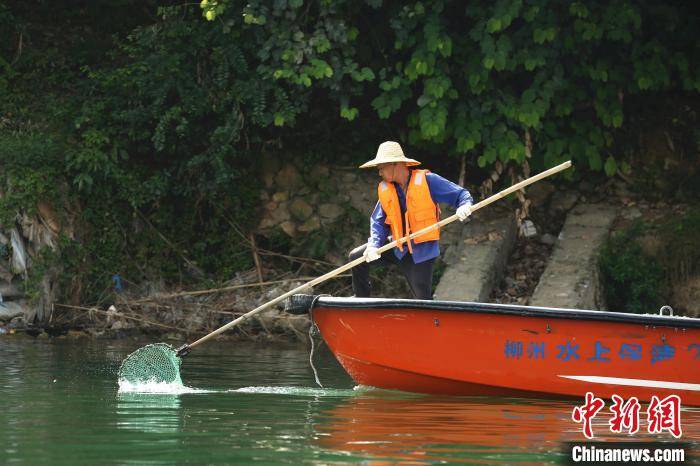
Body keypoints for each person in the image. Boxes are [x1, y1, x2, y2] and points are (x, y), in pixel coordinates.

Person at [349, 141, 473, 300]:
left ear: (396, 164)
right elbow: (378, 222)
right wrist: (374, 244)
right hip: (398, 246)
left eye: (381, 168)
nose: (379, 173)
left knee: (422, 300)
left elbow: (461, 195)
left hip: (421, 252)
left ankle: (431, 320)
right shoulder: (388, 189)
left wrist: (465, 206)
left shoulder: (428, 181)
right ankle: (361, 301)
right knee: (356, 258)